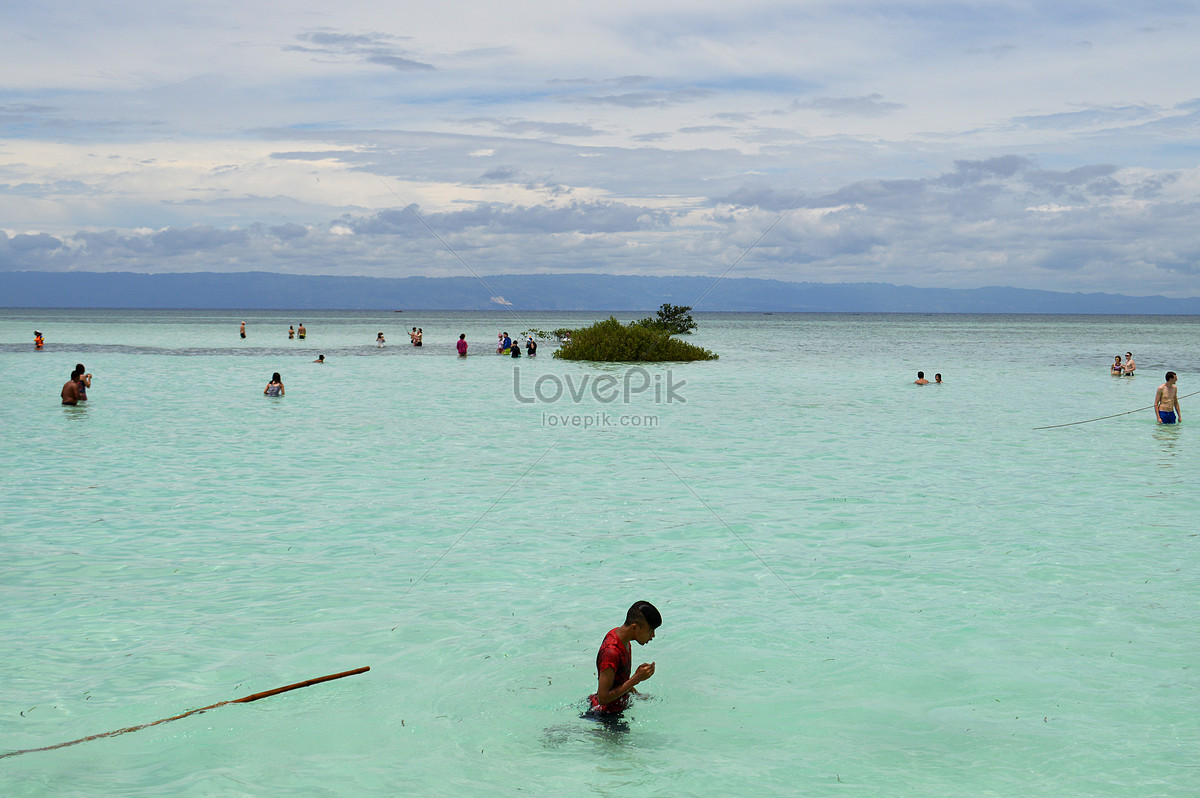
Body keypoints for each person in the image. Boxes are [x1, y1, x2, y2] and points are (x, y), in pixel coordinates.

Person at [585, 601, 662, 720]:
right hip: (605, 715)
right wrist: (637, 678)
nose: (653, 635)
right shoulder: (611, 652)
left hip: (613, 709)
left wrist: (637, 695)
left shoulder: (623, 640)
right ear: (635, 628)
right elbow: (603, 698)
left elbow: (620, 680)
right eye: (650, 630)